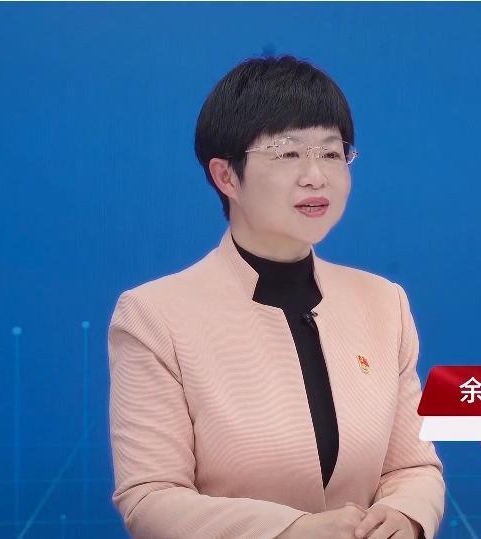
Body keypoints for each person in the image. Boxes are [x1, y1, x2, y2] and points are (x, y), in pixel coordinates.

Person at [106, 54, 445, 539]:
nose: (316, 176)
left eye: (331, 153)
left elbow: (413, 466)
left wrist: (405, 516)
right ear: (226, 176)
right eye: (288, 154)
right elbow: (150, 496)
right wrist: (292, 531)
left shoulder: (383, 302)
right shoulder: (155, 316)